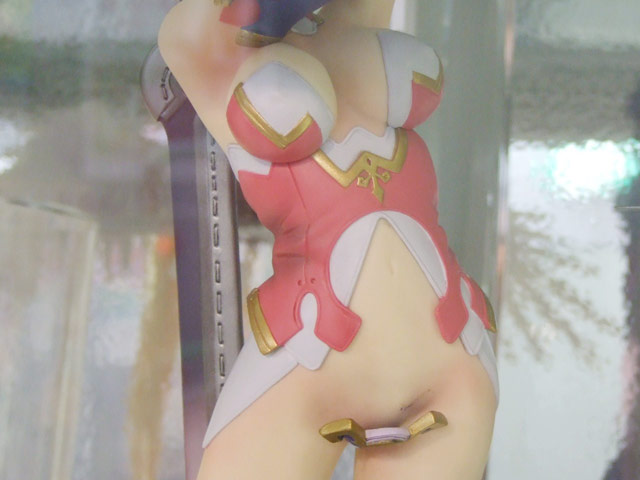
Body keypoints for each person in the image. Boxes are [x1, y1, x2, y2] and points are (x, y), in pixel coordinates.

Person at [158, 1, 498, 478]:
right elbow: (185, 35)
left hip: (452, 357)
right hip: (309, 355)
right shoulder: (215, 43)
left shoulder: (352, 16)